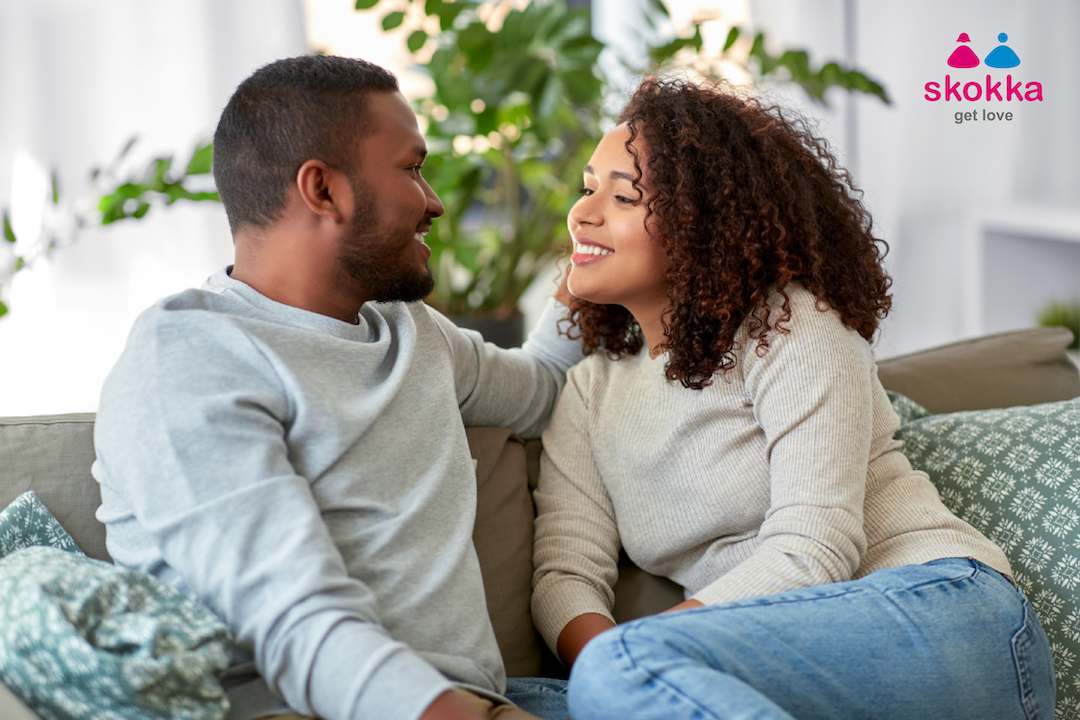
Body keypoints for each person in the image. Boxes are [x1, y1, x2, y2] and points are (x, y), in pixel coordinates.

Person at [531, 76, 1056, 720]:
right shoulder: (590, 390)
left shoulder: (789, 325)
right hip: (762, 658)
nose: (581, 215)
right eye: (588, 190)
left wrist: (643, 654)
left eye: (622, 197)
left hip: (942, 613)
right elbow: (565, 574)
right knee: (519, 702)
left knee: (618, 673)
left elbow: (815, 547)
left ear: (704, 221)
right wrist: (615, 670)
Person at [92, 55, 575, 720]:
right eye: (411, 168)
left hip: (493, 700)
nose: (433, 202)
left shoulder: (413, 333)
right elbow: (297, 623)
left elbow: (546, 386)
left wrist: (595, 263)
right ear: (322, 190)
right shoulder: (189, 357)